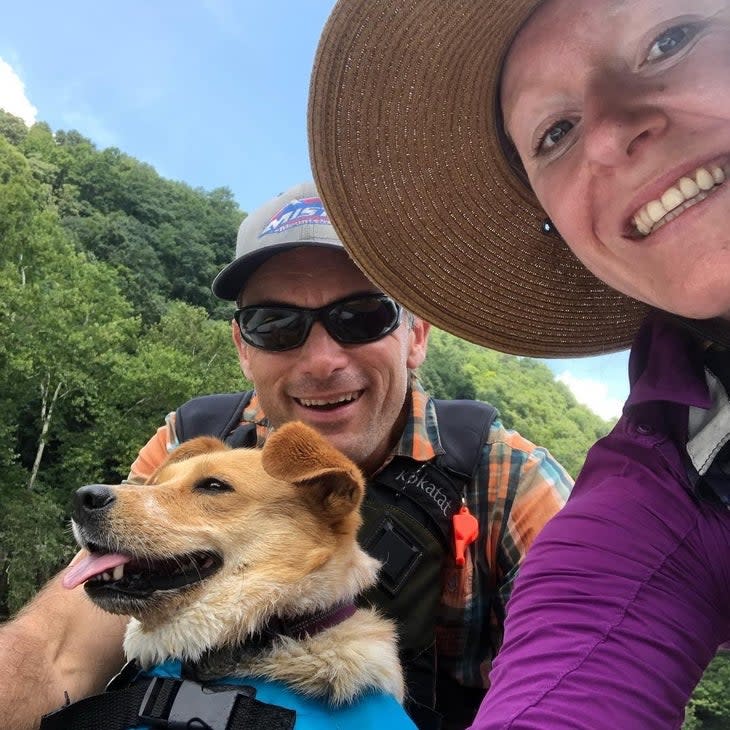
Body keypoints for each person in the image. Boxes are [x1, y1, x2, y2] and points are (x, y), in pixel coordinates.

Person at [0, 182, 572, 730]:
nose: (322, 360)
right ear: (243, 349)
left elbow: (574, 684)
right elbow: (55, 653)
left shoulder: (507, 477)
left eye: (363, 315)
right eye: (276, 324)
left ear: (417, 332)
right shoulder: (196, 438)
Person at [307, 1, 730, 728]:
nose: (606, 136)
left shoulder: (504, 473)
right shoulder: (663, 486)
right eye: (555, 132)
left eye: (671, 39)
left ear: (417, 340)